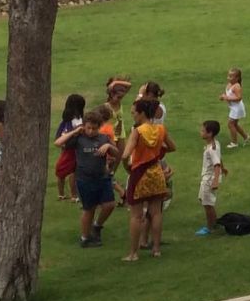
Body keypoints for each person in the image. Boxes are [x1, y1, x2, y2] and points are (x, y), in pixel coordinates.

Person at [121, 99, 171, 261]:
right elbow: (171, 147)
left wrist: (127, 167)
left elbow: (126, 155)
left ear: (142, 113)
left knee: (136, 215)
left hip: (140, 174)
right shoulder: (160, 129)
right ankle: (156, 249)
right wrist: (158, 153)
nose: (133, 116)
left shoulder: (138, 131)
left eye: (134, 113)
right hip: (156, 173)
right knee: (156, 212)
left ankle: (133, 253)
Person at [71, 107, 119, 247]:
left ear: (99, 127)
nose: (91, 131)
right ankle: (85, 238)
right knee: (89, 209)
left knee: (109, 205)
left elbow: (117, 153)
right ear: (84, 126)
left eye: (94, 128)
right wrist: (74, 132)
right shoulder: (79, 138)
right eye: (88, 128)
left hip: (102, 177)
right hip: (85, 179)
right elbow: (59, 142)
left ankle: (97, 226)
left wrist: (109, 147)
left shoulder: (104, 138)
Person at [55, 92, 86, 203]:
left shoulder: (65, 120)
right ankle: (74, 195)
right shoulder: (77, 120)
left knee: (61, 171)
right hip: (73, 150)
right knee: (73, 171)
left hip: (65, 148)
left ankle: (61, 194)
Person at [196, 119, 225, 237]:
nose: (201, 132)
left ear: (210, 133)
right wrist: (224, 168)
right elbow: (219, 159)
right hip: (209, 178)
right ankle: (214, 223)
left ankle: (210, 227)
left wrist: (215, 181)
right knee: (206, 201)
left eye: (203, 130)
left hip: (209, 178)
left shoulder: (210, 149)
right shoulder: (215, 144)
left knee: (207, 204)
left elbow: (216, 164)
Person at [222, 69, 250, 148]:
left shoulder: (237, 86)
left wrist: (227, 98)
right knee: (235, 124)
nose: (228, 78)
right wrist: (223, 96)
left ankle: (234, 142)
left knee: (230, 124)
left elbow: (239, 98)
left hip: (237, 108)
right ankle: (246, 137)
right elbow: (228, 93)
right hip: (233, 107)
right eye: (228, 76)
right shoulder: (229, 84)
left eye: (231, 76)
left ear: (237, 78)